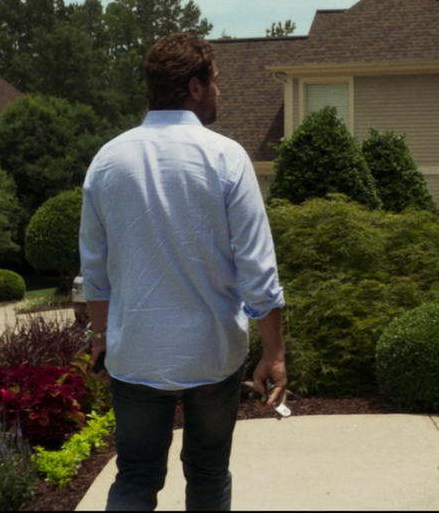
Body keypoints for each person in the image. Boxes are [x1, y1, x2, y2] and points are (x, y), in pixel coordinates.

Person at [79, 33, 287, 511]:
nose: (220, 91)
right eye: (215, 81)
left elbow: (95, 267)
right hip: (211, 354)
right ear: (194, 87)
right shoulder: (226, 158)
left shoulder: (107, 161)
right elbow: (258, 267)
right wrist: (274, 354)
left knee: (135, 478)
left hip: (136, 355)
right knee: (209, 476)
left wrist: (100, 334)